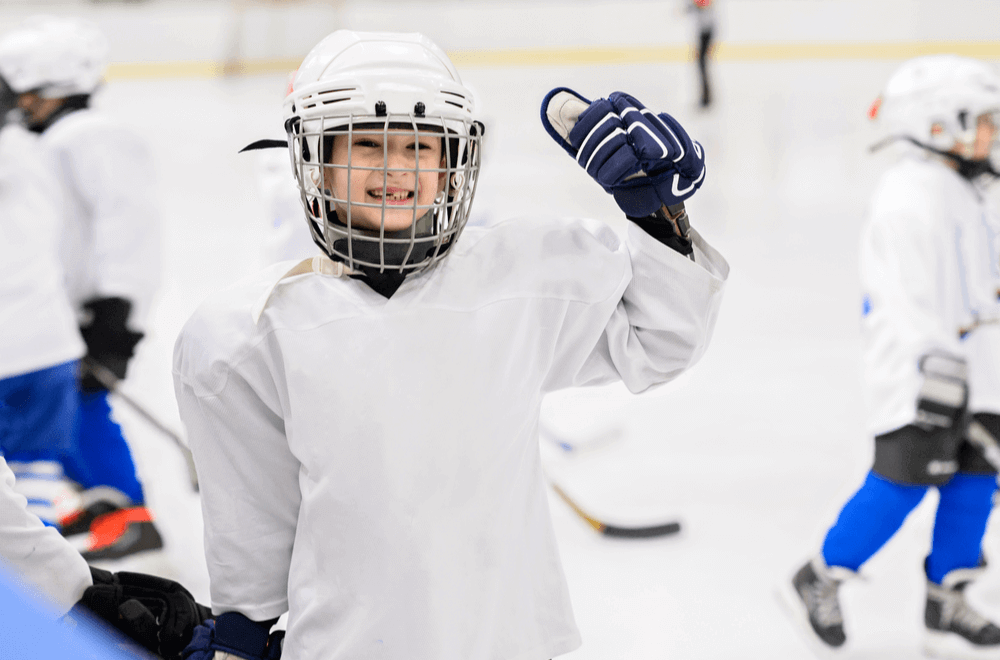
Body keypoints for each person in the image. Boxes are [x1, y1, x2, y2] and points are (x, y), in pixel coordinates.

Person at [173, 29, 728, 660]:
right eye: (365, 144)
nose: (395, 168)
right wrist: (242, 640)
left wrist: (659, 223)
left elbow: (663, 340)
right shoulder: (245, 333)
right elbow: (254, 528)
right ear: (313, 156)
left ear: (455, 159)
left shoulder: (521, 274)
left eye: (419, 145)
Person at [781, 55, 1000, 659]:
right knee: (902, 484)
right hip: (925, 377)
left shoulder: (967, 186)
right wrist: (940, 375)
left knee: (978, 479)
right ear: (938, 124)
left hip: (978, 373)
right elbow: (906, 298)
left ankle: (945, 601)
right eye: (981, 121)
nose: (991, 134)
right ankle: (820, 577)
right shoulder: (909, 195)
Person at [0, 16, 164, 560]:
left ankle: (128, 513)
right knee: (70, 414)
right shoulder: (38, 141)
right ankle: (104, 507)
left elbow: (129, 228)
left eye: (25, 92)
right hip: (57, 310)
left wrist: (119, 313)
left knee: (83, 410)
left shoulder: (90, 136)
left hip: (91, 311)